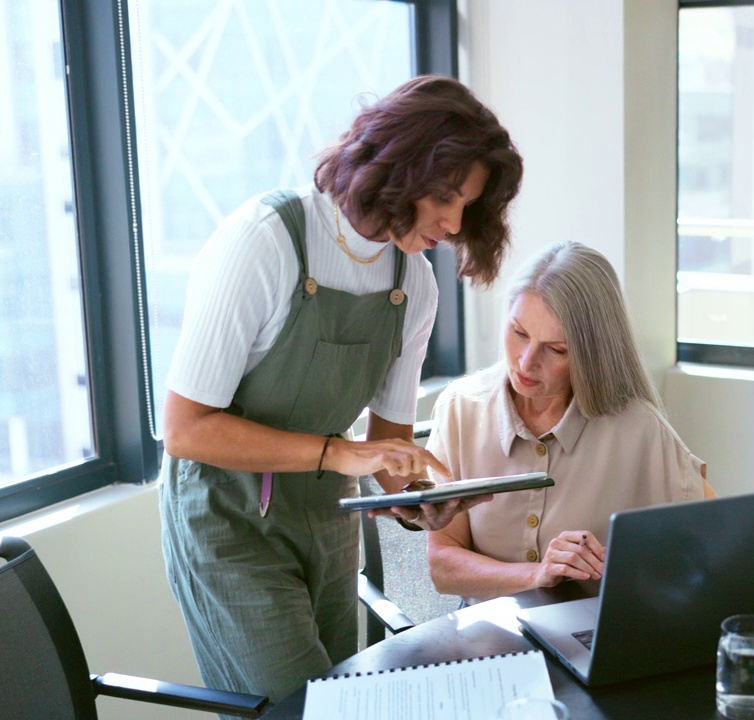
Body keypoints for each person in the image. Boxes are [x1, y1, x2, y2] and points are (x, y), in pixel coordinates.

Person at [157, 75, 522, 705]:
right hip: (229, 521)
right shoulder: (264, 242)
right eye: (446, 196)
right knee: (293, 707)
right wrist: (335, 453)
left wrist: (417, 497)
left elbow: (388, 448)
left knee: (342, 707)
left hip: (329, 521)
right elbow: (187, 430)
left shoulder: (415, 284)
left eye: (469, 206)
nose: (454, 222)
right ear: (397, 164)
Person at [425, 241, 717, 603]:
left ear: (591, 354)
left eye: (556, 349)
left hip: (592, 641)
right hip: (488, 643)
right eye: (518, 333)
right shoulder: (460, 408)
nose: (526, 362)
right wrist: (539, 573)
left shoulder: (638, 428)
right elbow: (443, 566)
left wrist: (633, 570)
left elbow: (711, 547)